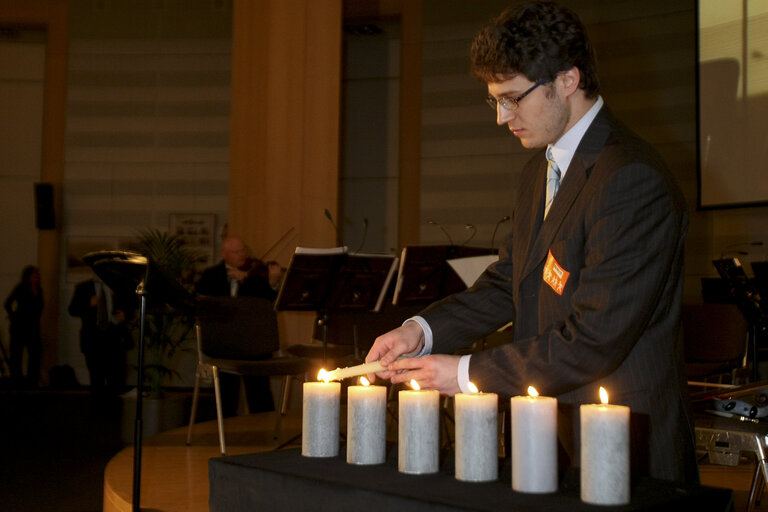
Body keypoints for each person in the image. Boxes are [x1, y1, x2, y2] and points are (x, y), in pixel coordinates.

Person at [366, 1, 697, 484]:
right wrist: (423, 330)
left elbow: (593, 341)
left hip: (627, 444)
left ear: (567, 79)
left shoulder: (631, 178)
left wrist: (459, 374)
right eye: (495, 100)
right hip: (545, 435)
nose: (502, 118)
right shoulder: (535, 173)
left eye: (514, 98)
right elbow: (508, 284)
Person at [196, 235, 283, 415]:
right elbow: (204, 303)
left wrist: (272, 283)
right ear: (224, 254)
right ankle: (224, 430)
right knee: (226, 394)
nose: (242, 255)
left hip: (254, 344)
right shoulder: (212, 274)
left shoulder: (255, 273)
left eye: (243, 250)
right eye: (236, 252)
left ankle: (264, 428)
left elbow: (269, 304)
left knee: (259, 394)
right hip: (225, 344)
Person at [68, 274, 134, 396]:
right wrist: (88, 303)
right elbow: (72, 310)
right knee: (97, 381)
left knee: (117, 381)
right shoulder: (84, 287)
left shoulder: (118, 286)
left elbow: (131, 306)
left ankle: (115, 412)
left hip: (114, 340)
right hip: (93, 340)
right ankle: (97, 412)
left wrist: (125, 314)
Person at [3, 265, 43, 388]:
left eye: (37, 274)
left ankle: (32, 380)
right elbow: (7, 303)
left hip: (33, 326)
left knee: (35, 354)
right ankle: (17, 381)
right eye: (34, 274)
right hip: (20, 326)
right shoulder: (21, 288)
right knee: (17, 354)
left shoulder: (39, 289)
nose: (36, 276)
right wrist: (14, 316)